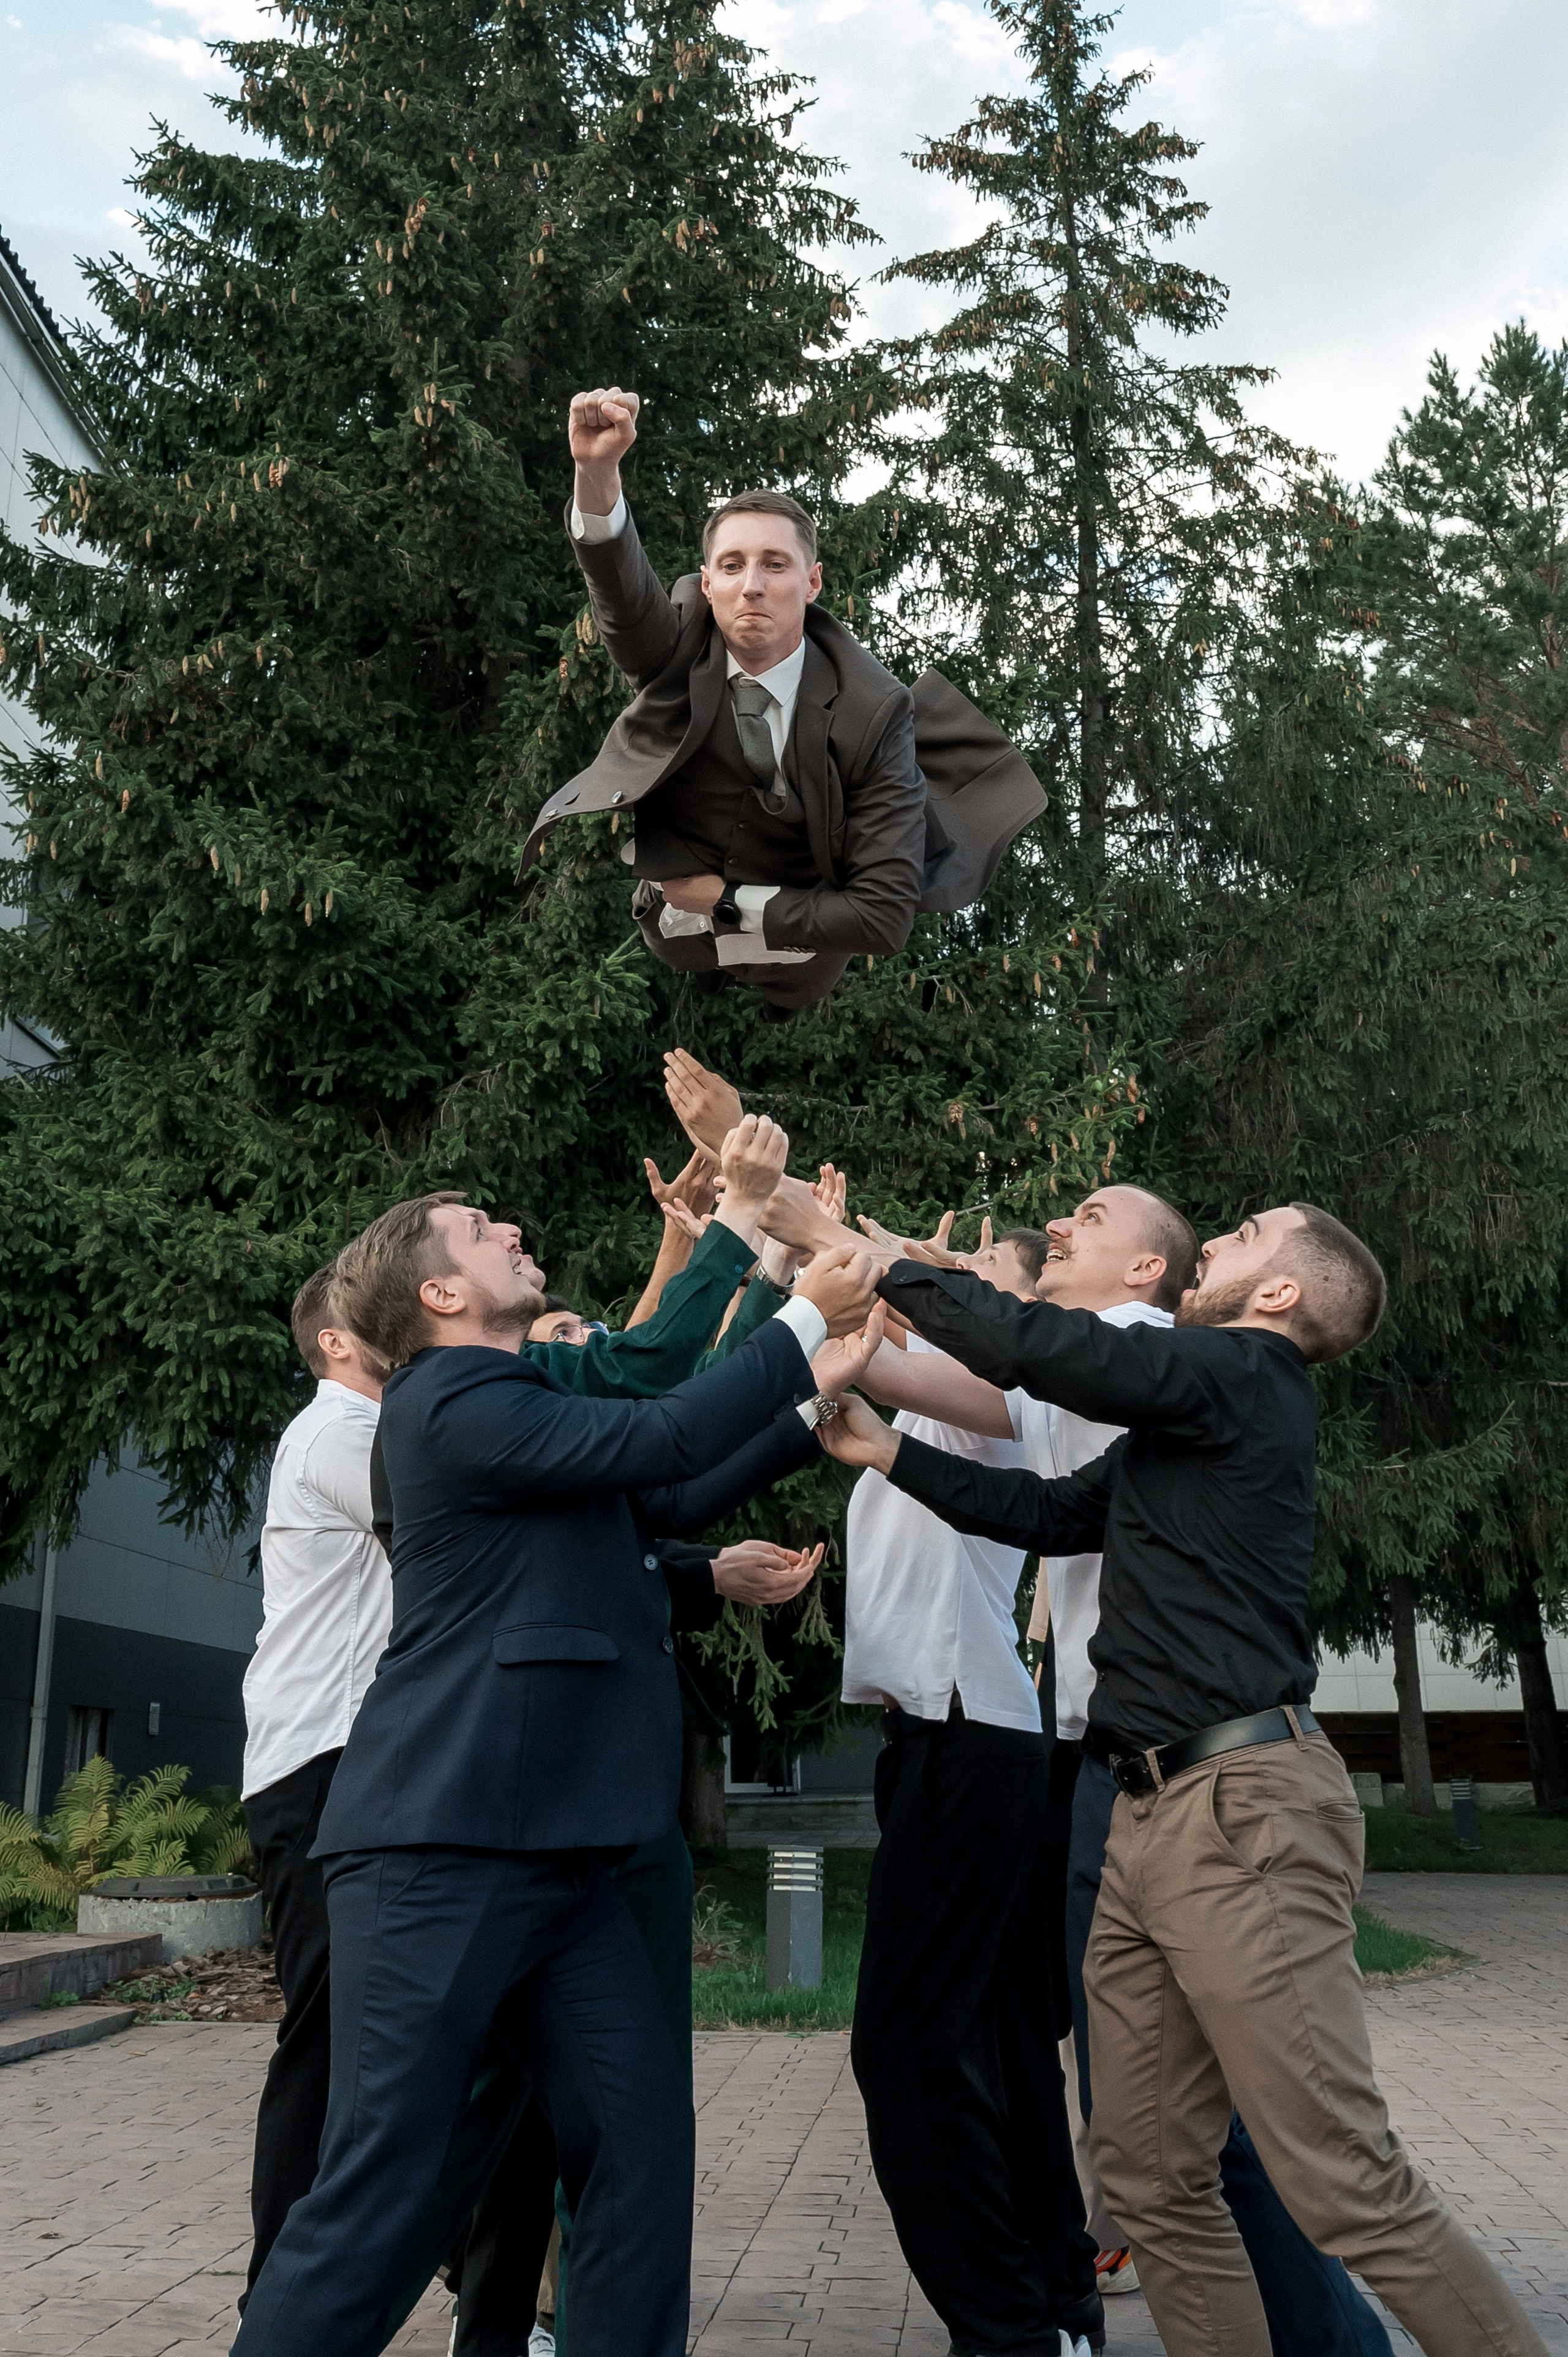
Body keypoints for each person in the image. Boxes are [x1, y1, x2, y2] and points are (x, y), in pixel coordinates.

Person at [816, 1205, 1550, 2357]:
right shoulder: (1187, 1425)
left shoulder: (1245, 1374)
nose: (1223, 1239)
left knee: (1344, 2178)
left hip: (1244, 1807)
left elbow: (1049, 1350)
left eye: (1249, 1233)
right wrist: (889, 1451)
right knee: (1152, 2179)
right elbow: (1055, 1514)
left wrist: (894, 1269)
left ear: (1280, 1297)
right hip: (1146, 1814)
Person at [232, 1183, 882, 2357]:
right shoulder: (447, 1396)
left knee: (637, 2154)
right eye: (483, 1234)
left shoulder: (517, 1398)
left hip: (573, 1853)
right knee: (383, 2193)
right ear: (439, 1294)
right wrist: (789, 1319)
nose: (516, 1234)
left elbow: (664, 1492)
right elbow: (667, 1427)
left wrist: (814, 1384)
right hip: (445, 1847)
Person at [518, 387, 1047, 1013]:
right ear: (707, 583)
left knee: (790, 991)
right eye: (733, 566)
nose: (752, 587)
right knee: (696, 966)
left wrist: (725, 899)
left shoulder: (871, 710)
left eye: (774, 565)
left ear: (813, 581)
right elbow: (621, 594)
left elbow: (882, 917)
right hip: (679, 933)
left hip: (803, 952)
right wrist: (596, 471)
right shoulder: (676, 646)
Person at [842, 1218, 1102, 2357]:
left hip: (967, 1733)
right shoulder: (929, 1408)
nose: (961, 1292)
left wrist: (794, 1241)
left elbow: (858, 1342)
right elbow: (858, 1348)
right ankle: (1056, 2302)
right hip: (952, 1738)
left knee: (903, 2049)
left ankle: (1005, 2325)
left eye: (987, 1286)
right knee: (997, 2043)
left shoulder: (989, 1399)